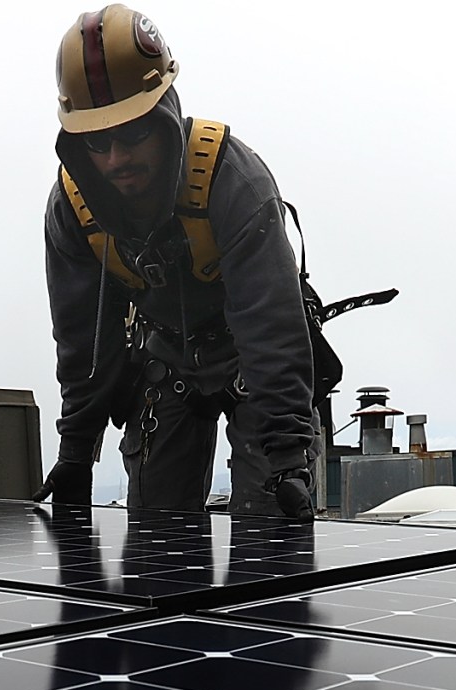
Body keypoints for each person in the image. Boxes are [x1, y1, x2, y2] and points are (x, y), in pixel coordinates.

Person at [39, 6, 322, 520]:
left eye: (133, 133)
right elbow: (84, 342)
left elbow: (271, 326)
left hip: (255, 364)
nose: (116, 159)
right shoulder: (72, 209)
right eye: (97, 142)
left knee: (270, 536)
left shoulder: (233, 180)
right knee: (156, 546)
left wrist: (287, 453)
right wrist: (76, 451)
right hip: (165, 356)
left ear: (166, 114)